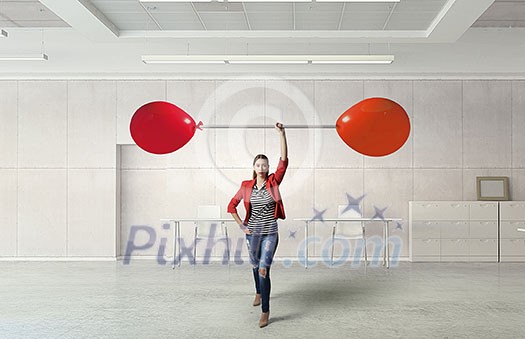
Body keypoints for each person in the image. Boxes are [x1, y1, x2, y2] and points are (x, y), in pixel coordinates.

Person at [227, 122, 288, 328]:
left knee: (263, 269)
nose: (261, 168)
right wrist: (242, 227)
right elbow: (231, 206)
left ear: (268, 168)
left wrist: (282, 134)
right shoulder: (246, 186)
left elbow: (284, 162)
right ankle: (259, 292)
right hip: (252, 233)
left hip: (270, 232)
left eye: (265, 165)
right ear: (254, 168)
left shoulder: (274, 182)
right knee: (254, 266)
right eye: (258, 165)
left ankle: (265, 311)